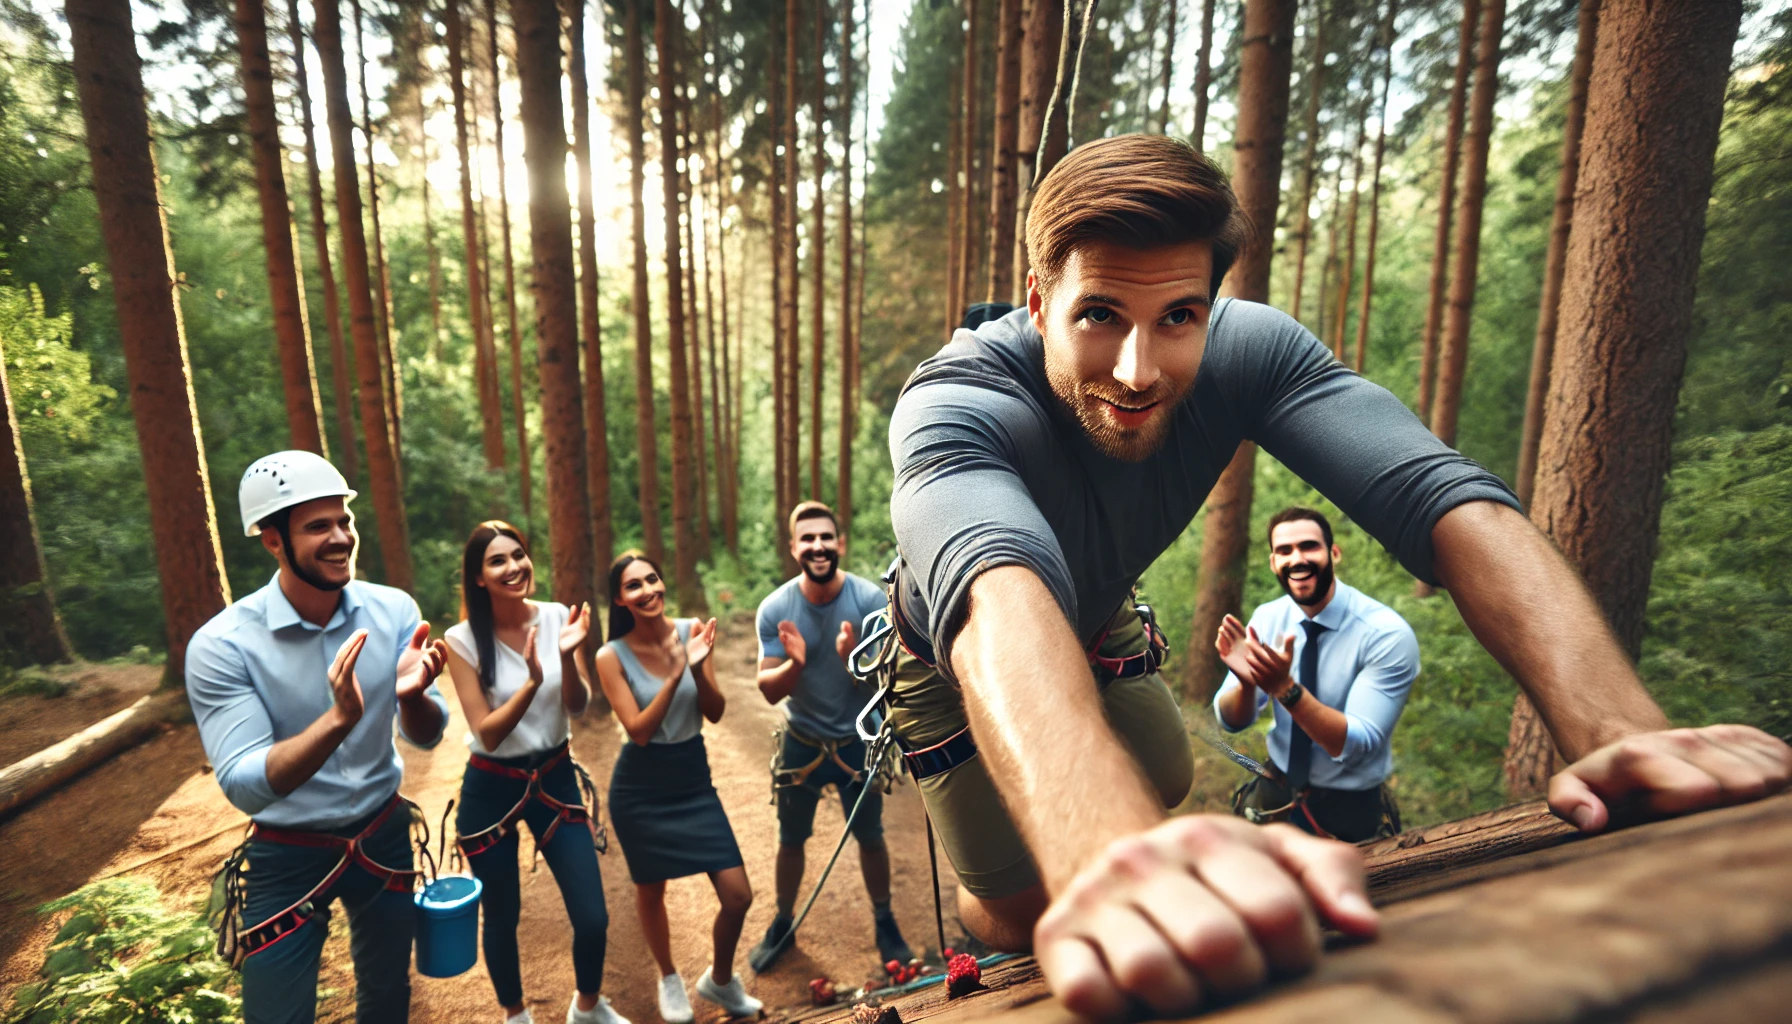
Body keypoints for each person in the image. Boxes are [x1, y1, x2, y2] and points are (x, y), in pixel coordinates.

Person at [882, 133, 1792, 1020]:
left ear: (1210, 301)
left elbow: (1437, 495)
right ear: (1039, 302)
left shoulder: (1254, 352)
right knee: (1012, 912)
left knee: (1157, 774)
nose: (1137, 369)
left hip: (1103, 620)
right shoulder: (951, 404)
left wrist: (1615, 729)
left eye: (1177, 318)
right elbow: (994, 584)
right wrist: (1107, 855)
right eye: (1098, 315)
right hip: (951, 655)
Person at [187, 450, 449, 1024]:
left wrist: (411, 697)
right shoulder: (224, 645)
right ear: (272, 540)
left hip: (383, 836)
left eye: (344, 521)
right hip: (287, 853)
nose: (340, 538)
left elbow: (426, 736)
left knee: (387, 995)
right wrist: (338, 720)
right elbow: (246, 785)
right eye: (317, 526)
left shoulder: (393, 609)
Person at [443, 521, 624, 1024]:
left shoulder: (557, 616)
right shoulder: (460, 641)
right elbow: (487, 733)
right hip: (490, 786)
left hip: (555, 777)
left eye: (518, 555)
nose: (513, 567)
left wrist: (566, 656)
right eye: (497, 560)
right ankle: (515, 1015)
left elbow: (579, 704)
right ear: (478, 578)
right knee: (502, 915)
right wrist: (531, 682)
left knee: (592, 914)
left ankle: (587, 1007)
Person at [595, 552, 761, 1022]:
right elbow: (639, 730)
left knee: (738, 896)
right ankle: (668, 977)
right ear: (619, 598)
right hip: (641, 787)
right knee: (651, 890)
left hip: (692, 777)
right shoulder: (610, 656)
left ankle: (721, 981)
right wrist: (674, 672)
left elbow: (715, 711)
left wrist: (694, 666)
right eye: (633, 585)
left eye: (652, 579)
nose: (647, 590)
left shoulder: (691, 631)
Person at [747, 501, 912, 972]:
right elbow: (765, 689)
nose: (817, 546)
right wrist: (795, 663)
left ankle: (885, 922)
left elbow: (888, 685)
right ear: (794, 547)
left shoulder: (867, 601)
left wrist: (848, 660)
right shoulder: (776, 609)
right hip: (801, 738)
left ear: (839, 544)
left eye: (826, 537)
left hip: (859, 739)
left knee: (871, 836)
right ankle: (782, 922)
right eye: (807, 538)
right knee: (790, 838)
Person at [1214, 507, 1415, 841]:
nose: (1297, 559)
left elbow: (1357, 744)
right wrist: (1248, 684)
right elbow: (1231, 720)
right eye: (1284, 551)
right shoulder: (1267, 618)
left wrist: (1286, 690)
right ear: (1273, 562)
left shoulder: (1386, 634)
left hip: (1350, 810)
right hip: (1275, 790)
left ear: (1334, 554)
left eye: (1309, 546)